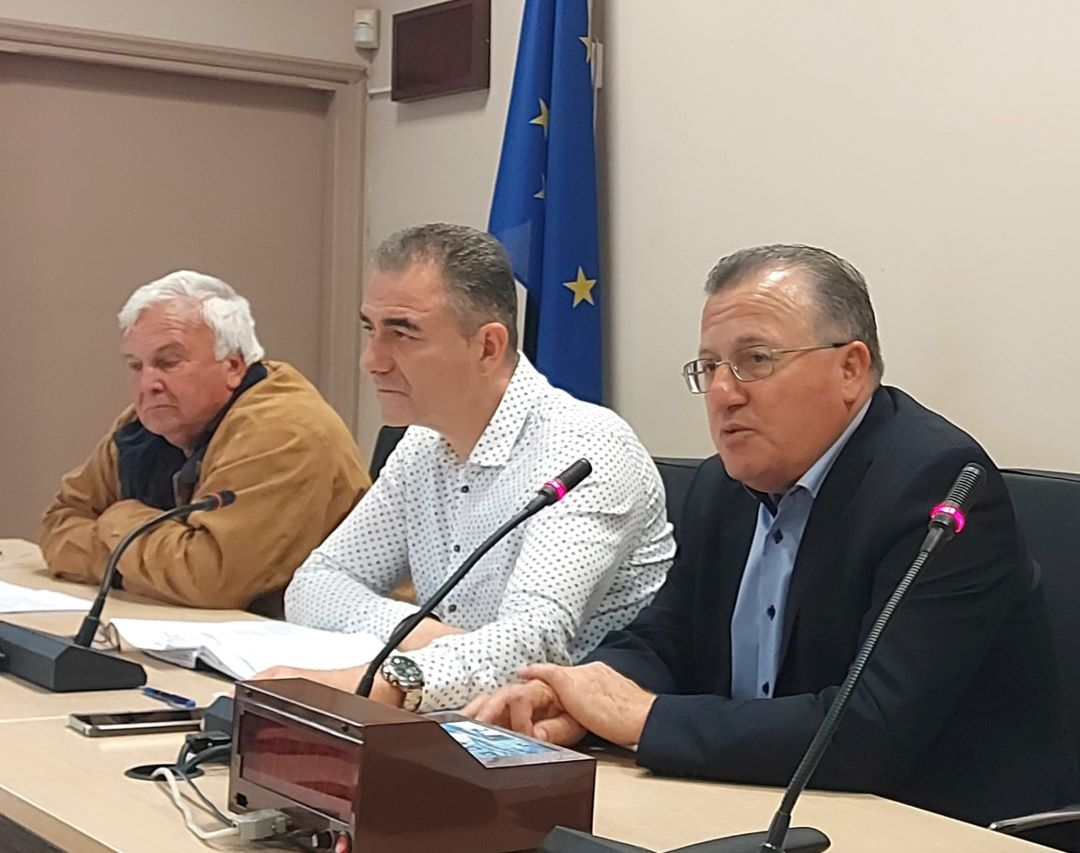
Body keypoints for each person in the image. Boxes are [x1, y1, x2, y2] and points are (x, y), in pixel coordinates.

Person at [465, 244, 1076, 825]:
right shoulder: (723, 485)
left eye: (755, 360)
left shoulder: (937, 488)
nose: (723, 393)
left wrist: (645, 719)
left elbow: (871, 728)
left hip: (934, 821)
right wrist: (577, 693)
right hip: (762, 800)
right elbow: (666, 642)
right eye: (710, 367)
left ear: (850, 369)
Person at [260, 223, 675, 712]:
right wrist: (421, 633)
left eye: (402, 333)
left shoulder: (583, 451)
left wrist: (389, 680)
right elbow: (316, 584)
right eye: (371, 329)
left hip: (573, 739)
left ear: (487, 347)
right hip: (455, 717)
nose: (371, 361)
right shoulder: (422, 444)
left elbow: (531, 646)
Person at [40, 270, 368, 613]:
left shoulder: (285, 431)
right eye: (136, 365)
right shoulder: (145, 425)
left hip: (308, 636)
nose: (148, 384)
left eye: (168, 362)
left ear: (234, 366)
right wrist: (149, 571)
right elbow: (59, 525)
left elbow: (208, 580)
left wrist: (119, 519)